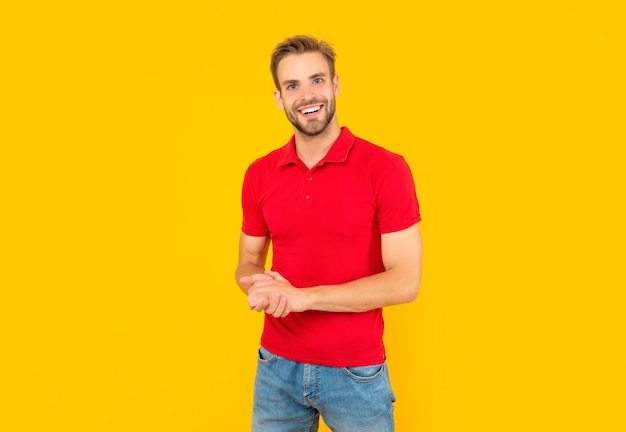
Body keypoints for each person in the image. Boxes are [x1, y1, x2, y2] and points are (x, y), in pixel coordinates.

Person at [235, 35, 423, 432]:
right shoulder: (259, 173)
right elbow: (248, 261)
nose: (307, 95)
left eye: (317, 80)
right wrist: (257, 286)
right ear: (279, 98)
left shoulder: (386, 168)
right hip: (276, 368)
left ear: (335, 85)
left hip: (356, 373)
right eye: (293, 86)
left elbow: (405, 282)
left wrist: (305, 298)